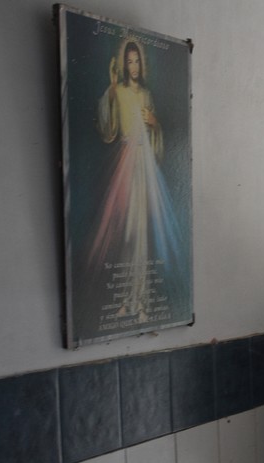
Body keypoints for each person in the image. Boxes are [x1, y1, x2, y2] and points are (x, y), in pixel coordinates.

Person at [89, 40, 185, 324]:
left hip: (145, 167)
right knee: (125, 232)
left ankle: (141, 302)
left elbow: (157, 142)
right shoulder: (117, 91)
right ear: (123, 64)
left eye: (137, 61)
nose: (133, 66)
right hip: (125, 165)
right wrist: (109, 88)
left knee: (142, 233)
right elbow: (107, 128)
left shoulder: (146, 95)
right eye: (129, 61)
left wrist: (155, 123)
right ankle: (124, 299)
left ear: (142, 64)